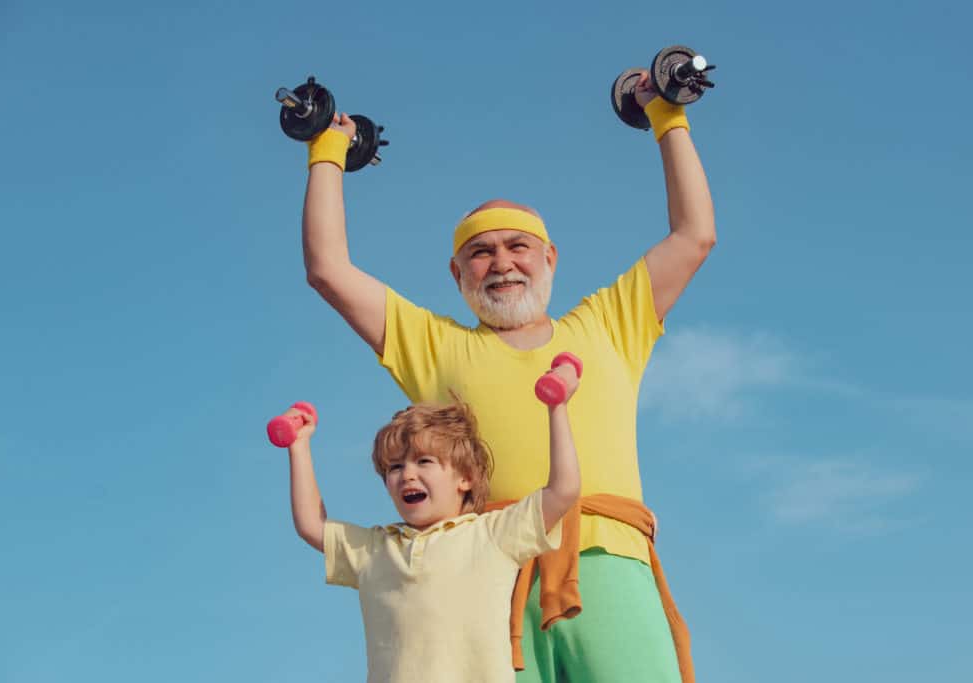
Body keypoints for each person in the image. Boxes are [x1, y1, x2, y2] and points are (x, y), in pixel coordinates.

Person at [299, 69, 714, 683]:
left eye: (518, 247)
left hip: (609, 558)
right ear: (457, 272)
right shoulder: (435, 346)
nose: (502, 263)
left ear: (549, 258)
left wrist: (666, 115)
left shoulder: (608, 323)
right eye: (481, 251)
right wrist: (326, 152)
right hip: (488, 578)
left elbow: (694, 234)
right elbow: (329, 269)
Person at [277, 359, 581, 683]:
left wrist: (557, 408)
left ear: (465, 478)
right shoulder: (375, 549)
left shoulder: (492, 535)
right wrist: (299, 446)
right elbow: (311, 524)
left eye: (424, 461)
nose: (407, 474)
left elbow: (563, 490)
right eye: (394, 468)